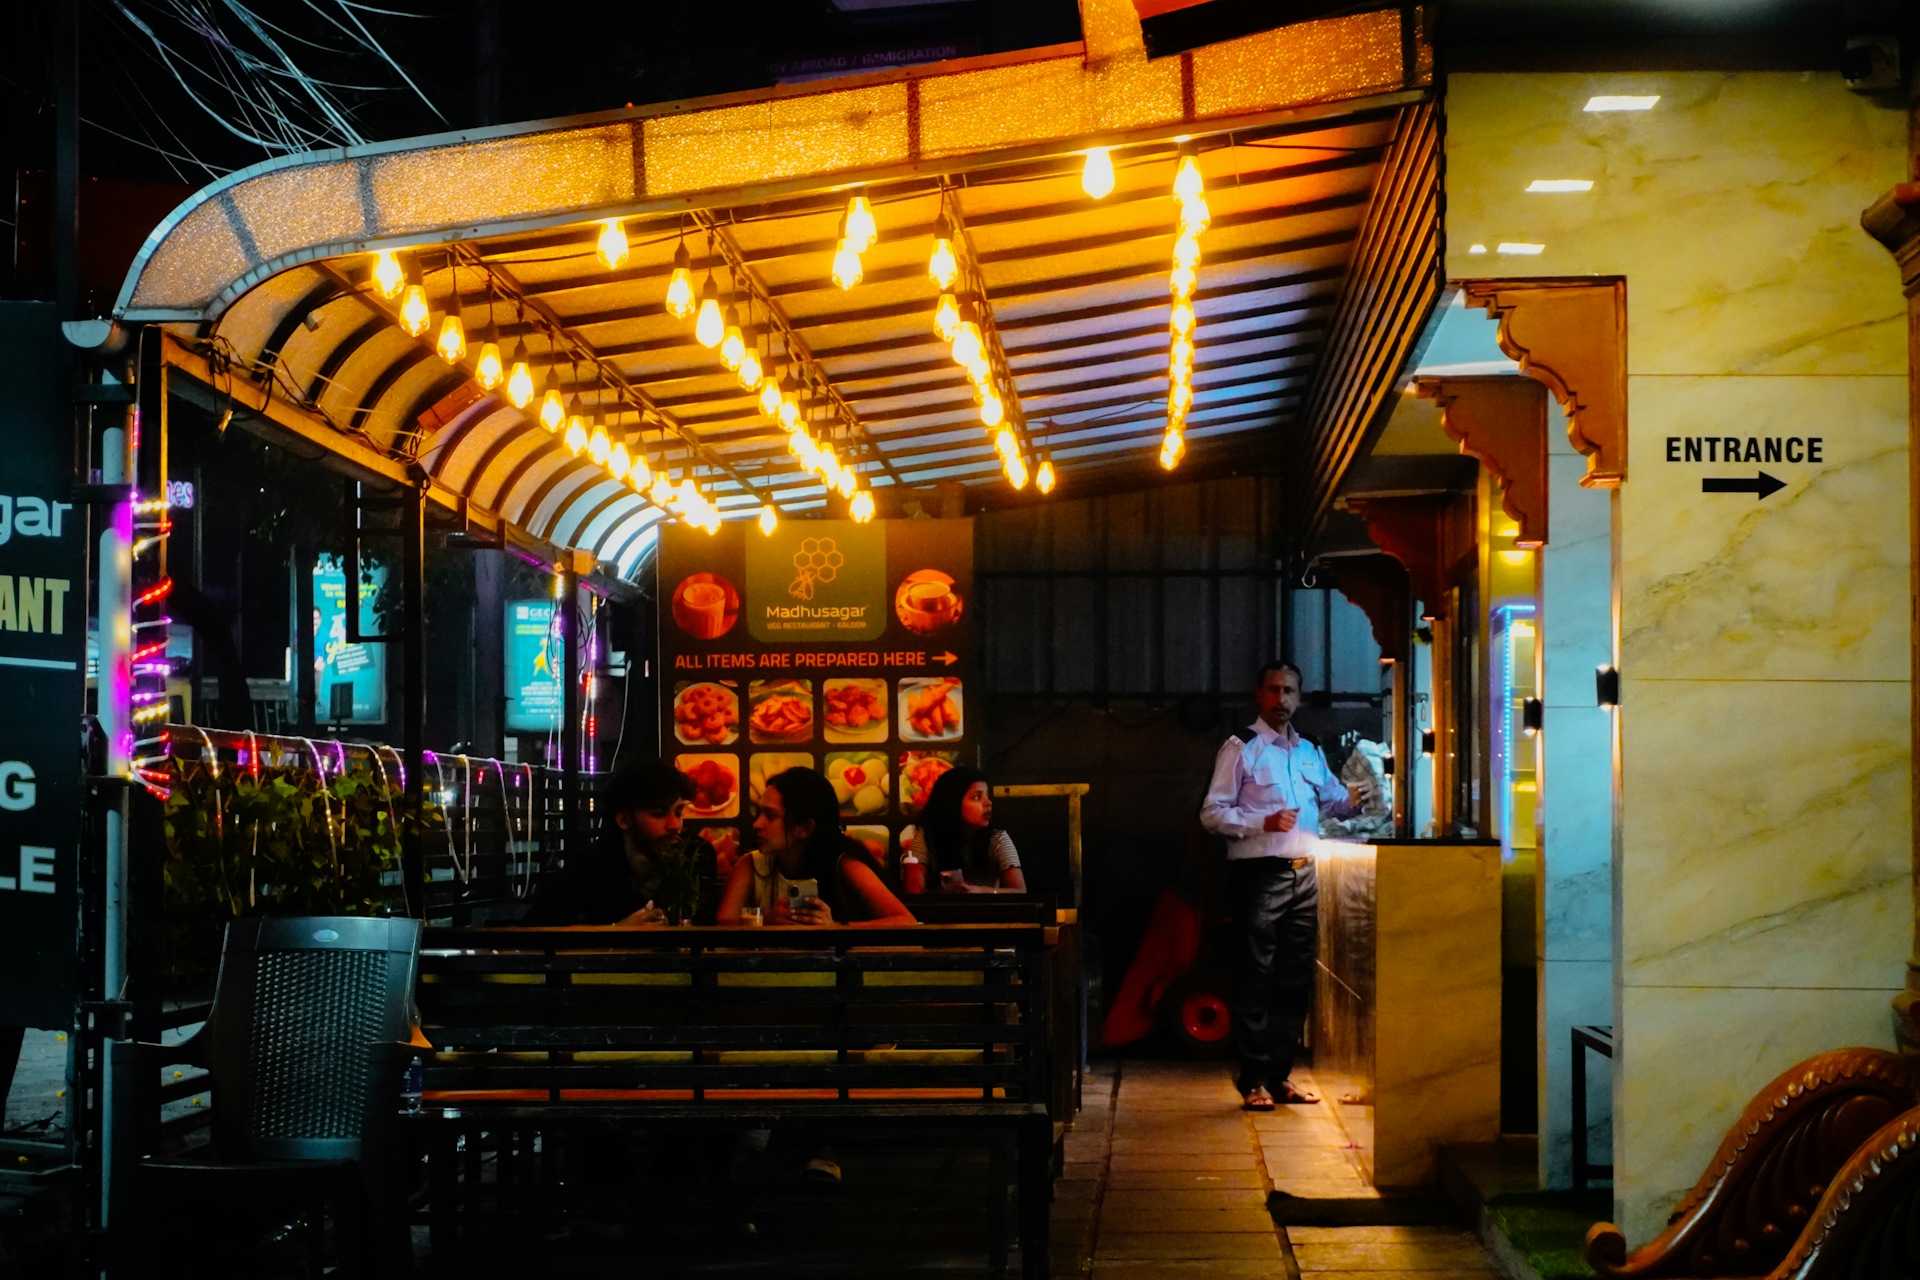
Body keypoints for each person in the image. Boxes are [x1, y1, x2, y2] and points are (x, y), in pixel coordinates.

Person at [1200, 660, 1373, 1111]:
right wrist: (1263, 821)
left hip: (1305, 874)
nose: (1282, 700)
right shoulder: (1242, 748)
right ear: (1260, 695)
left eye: (1290, 691)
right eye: (1274, 691)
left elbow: (1334, 801)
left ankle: (1280, 1076)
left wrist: (1358, 799)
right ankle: (1253, 1078)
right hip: (1260, 875)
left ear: (1300, 697)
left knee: (1294, 980)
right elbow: (1211, 814)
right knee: (1255, 976)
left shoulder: (1310, 752)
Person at [524, 758, 722, 926]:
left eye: (679, 812)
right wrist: (616, 932)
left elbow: (706, 930)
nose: (675, 825)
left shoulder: (696, 855)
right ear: (624, 820)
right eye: (659, 814)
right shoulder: (594, 863)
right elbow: (534, 929)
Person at [717, 767, 916, 927]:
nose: (757, 824)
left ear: (805, 828)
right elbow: (721, 929)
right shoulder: (750, 865)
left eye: (770, 816)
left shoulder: (843, 864)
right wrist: (765, 921)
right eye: (760, 813)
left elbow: (906, 922)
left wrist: (835, 927)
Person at [909, 767, 1028, 893]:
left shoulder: (997, 838)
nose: (988, 803)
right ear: (953, 803)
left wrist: (980, 891)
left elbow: (1020, 890)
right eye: (977, 797)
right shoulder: (927, 836)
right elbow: (915, 890)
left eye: (987, 795)